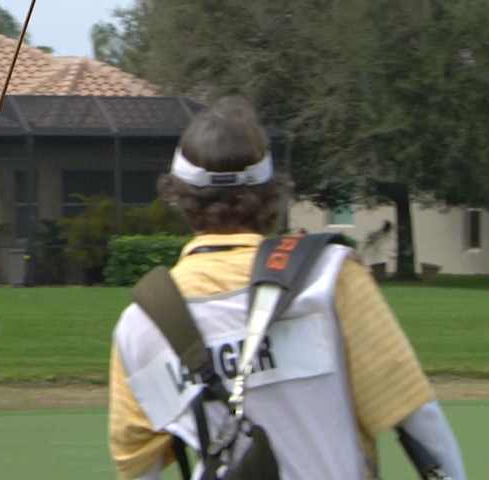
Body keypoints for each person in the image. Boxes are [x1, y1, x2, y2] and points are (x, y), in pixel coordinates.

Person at [107, 97, 465, 479]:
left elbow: (138, 468)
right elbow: (416, 416)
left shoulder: (140, 324)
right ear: (270, 194)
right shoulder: (330, 277)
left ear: (179, 197)